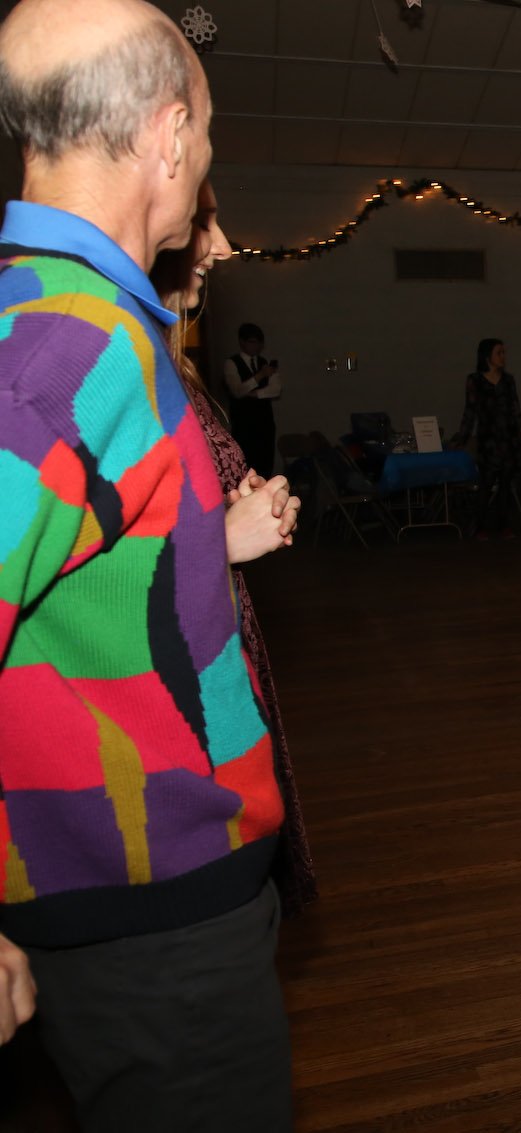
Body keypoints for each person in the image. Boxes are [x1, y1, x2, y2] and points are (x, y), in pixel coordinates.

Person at [0, 2, 297, 1128]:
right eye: (207, 131)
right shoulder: (66, 342)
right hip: (144, 911)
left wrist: (208, 540)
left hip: (141, 884)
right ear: (169, 137)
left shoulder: (65, 316)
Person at [152, 180, 317, 917]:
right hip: (173, 682)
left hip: (216, 632)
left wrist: (236, 507)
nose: (221, 247)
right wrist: (221, 537)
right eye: (206, 222)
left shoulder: (168, 361)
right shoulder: (111, 361)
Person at [449, 337, 521, 537]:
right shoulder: (475, 380)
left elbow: (516, 410)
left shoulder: (508, 380)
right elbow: (470, 411)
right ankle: (480, 526)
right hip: (489, 440)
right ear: (487, 356)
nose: (503, 356)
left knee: (505, 485)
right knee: (486, 483)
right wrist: (462, 438)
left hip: (508, 439)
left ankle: (503, 524)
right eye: (499, 353)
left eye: (503, 353)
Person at [224, 321, 281, 476]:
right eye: (252, 342)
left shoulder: (264, 362)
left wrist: (255, 394)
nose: (256, 347)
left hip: (265, 422)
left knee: (265, 463)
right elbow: (237, 390)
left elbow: (276, 389)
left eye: (259, 343)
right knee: (246, 464)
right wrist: (260, 376)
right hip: (244, 423)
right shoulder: (232, 363)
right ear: (242, 342)